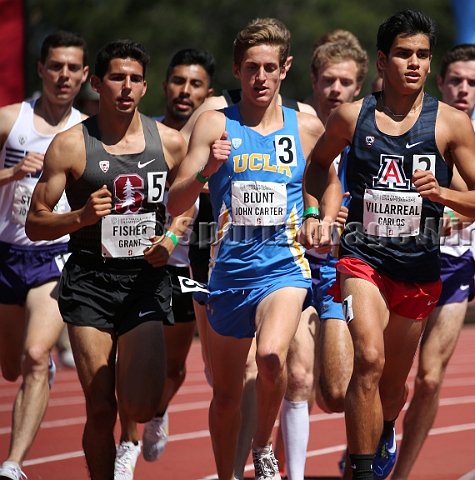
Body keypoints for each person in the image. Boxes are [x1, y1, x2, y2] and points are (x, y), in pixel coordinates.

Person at [300, 10, 475, 480]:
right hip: (362, 260)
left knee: (392, 387)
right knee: (367, 358)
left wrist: (442, 193)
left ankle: (385, 426)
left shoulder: (450, 125)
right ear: (383, 62)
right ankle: (363, 469)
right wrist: (313, 214)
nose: (415, 63)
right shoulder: (351, 117)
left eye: (423, 55)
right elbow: (316, 165)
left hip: (418, 268)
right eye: (404, 54)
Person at [166, 18, 339, 480]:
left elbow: (329, 181)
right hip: (227, 274)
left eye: (269, 68)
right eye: (250, 69)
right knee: (225, 397)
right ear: (238, 71)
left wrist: (320, 219)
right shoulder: (213, 124)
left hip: (283, 267)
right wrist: (206, 174)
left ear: (285, 68)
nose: (260, 78)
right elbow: (174, 201)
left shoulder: (305, 127)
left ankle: (264, 447)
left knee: (269, 357)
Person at [25, 39, 187, 480]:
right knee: (100, 408)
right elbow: (34, 223)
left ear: (145, 86)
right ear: (96, 83)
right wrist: (78, 216)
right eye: (117, 77)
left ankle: (149, 418)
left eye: (135, 78)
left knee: (140, 402)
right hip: (90, 282)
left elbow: (186, 203)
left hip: (145, 280)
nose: (127, 87)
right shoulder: (70, 146)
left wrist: (171, 237)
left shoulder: (170, 143)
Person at [390, 43, 475, 480]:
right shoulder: (407, 126)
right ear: (439, 81)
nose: (463, 89)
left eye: (472, 83)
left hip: (453, 267)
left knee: (428, 378)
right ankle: (373, 438)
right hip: (399, 262)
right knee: (383, 372)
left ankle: (401, 473)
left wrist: (463, 216)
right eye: (455, 80)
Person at [114, 48, 215, 479]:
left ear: (207, 93)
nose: (185, 91)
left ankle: (157, 410)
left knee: (172, 366)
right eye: (178, 81)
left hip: (188, 264)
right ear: (164, 85)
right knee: (132, 360)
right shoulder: (144, 134)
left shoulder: (213, 138)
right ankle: (127, 442)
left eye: (195, 84)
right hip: (141, 262)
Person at [273, 31, 368, 480]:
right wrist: (312, 210)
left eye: (346, 82)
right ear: (312, 79)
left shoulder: (369, 132)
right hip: (288, 262)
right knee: (293, 376)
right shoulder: (292, 125)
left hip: (341, 267)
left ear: (359, 86)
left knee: (333, 393)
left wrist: (357, 216)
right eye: (328, 80)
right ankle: (278, 465)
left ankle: (373, 432)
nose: (336, 89)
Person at [0, 30, 89, 480]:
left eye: (73, 68)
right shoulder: (11, 119)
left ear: (85, 75)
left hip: (53, 257)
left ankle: (13, 465)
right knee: (11, 366)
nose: (64, 76)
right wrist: (12, 173)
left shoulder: (85, 132)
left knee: (36, 355)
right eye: (56, 66)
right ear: (41, 70)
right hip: (5, 254)